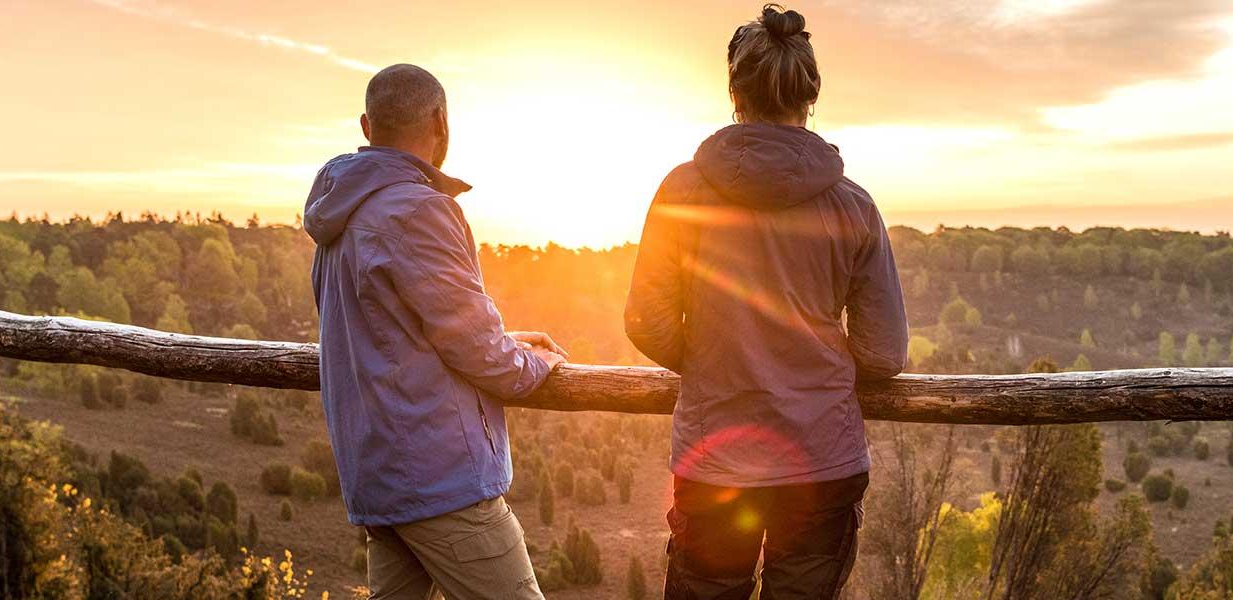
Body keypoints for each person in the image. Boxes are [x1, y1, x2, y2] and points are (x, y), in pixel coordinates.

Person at [624, 5, 909, 599]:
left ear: (736, 91)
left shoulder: (683, 192)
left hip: (715, 458)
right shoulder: (854, 206)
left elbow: (646, 320)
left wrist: (713, 358)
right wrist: (811, 373)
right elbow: (883, 353)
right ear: (811, 96)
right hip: (824, 460)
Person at [305, 63, 565, 600]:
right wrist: (538, 363)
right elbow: (477, 350)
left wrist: (505, 339)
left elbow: (392, 334)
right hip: (439, 477)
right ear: (442, 123)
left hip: (378, 472)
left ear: (366, 126)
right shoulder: (421, 209)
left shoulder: (337, 218)